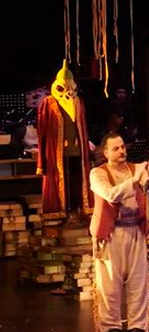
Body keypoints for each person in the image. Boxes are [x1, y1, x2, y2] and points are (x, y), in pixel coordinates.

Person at [90, 132, 149, 332]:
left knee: (138, 280)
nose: (122, 151)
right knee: (110, 283)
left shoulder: (136, 169)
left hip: (135, 229)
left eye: (122, 147)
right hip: (111, 232)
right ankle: (112, 326)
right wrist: (135, 180)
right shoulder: (98, 173)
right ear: (105, 153)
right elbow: (111, 195)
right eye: (116, 148)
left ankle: (137, 325)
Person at [35, 61, 92, 216]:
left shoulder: (78, 102)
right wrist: (41, 161)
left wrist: (83, 145)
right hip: (57, 150)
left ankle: (77, 210)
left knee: (76, 179)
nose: (67, 91)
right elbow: (42, 132)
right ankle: (60, 210)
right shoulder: (49, 103)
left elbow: (82, 126)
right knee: (59, 179)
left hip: (76, 149)